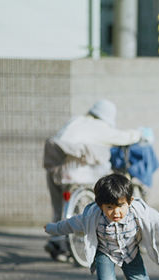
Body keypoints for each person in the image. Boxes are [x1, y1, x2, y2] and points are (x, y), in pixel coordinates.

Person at [44, 173, 159, 280]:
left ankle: (129, 279)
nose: (116, 212)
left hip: (130, 252)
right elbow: (70, 224)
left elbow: (155, 218)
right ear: (100, 206)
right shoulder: (92, 216)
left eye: (120, 206)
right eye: (109, 207)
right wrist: (53, 228)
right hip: (105, 253)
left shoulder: (138, 210)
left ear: (129, 202)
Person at [43, 99, 142, 261]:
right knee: (86, 205)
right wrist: (139, 134)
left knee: (58, 208)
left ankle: (56, 242)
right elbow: (124, 137)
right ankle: (71, 242)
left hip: (54, 171)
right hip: (77, 174)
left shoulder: (76, 120)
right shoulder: (100, 128)